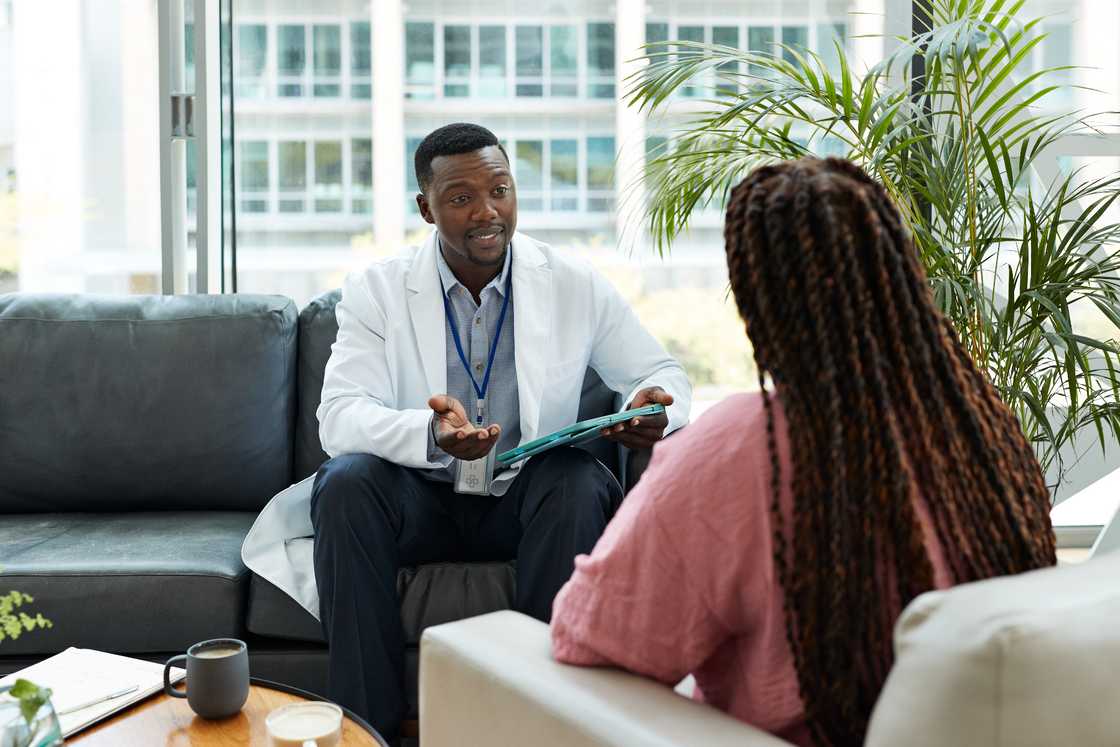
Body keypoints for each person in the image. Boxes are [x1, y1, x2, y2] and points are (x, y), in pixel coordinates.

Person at [550, 157, 1056, 747]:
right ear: (901, 275)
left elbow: (588, 641)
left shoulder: (738, 450)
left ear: (757, 303)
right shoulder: (974, 422)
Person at [309, 122, 691, 740]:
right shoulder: (377, 289)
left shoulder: (572, 282)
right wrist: (430, 434)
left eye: (500, 190)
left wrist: (654, 407)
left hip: (524, 497)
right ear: (426, 208)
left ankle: (543, 728)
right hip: (420, 496)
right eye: (461, 198)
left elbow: (660, 371)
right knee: (345, 483)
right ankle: (365, 731)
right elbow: (340, 415)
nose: (487, 211)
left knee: (578, 480)